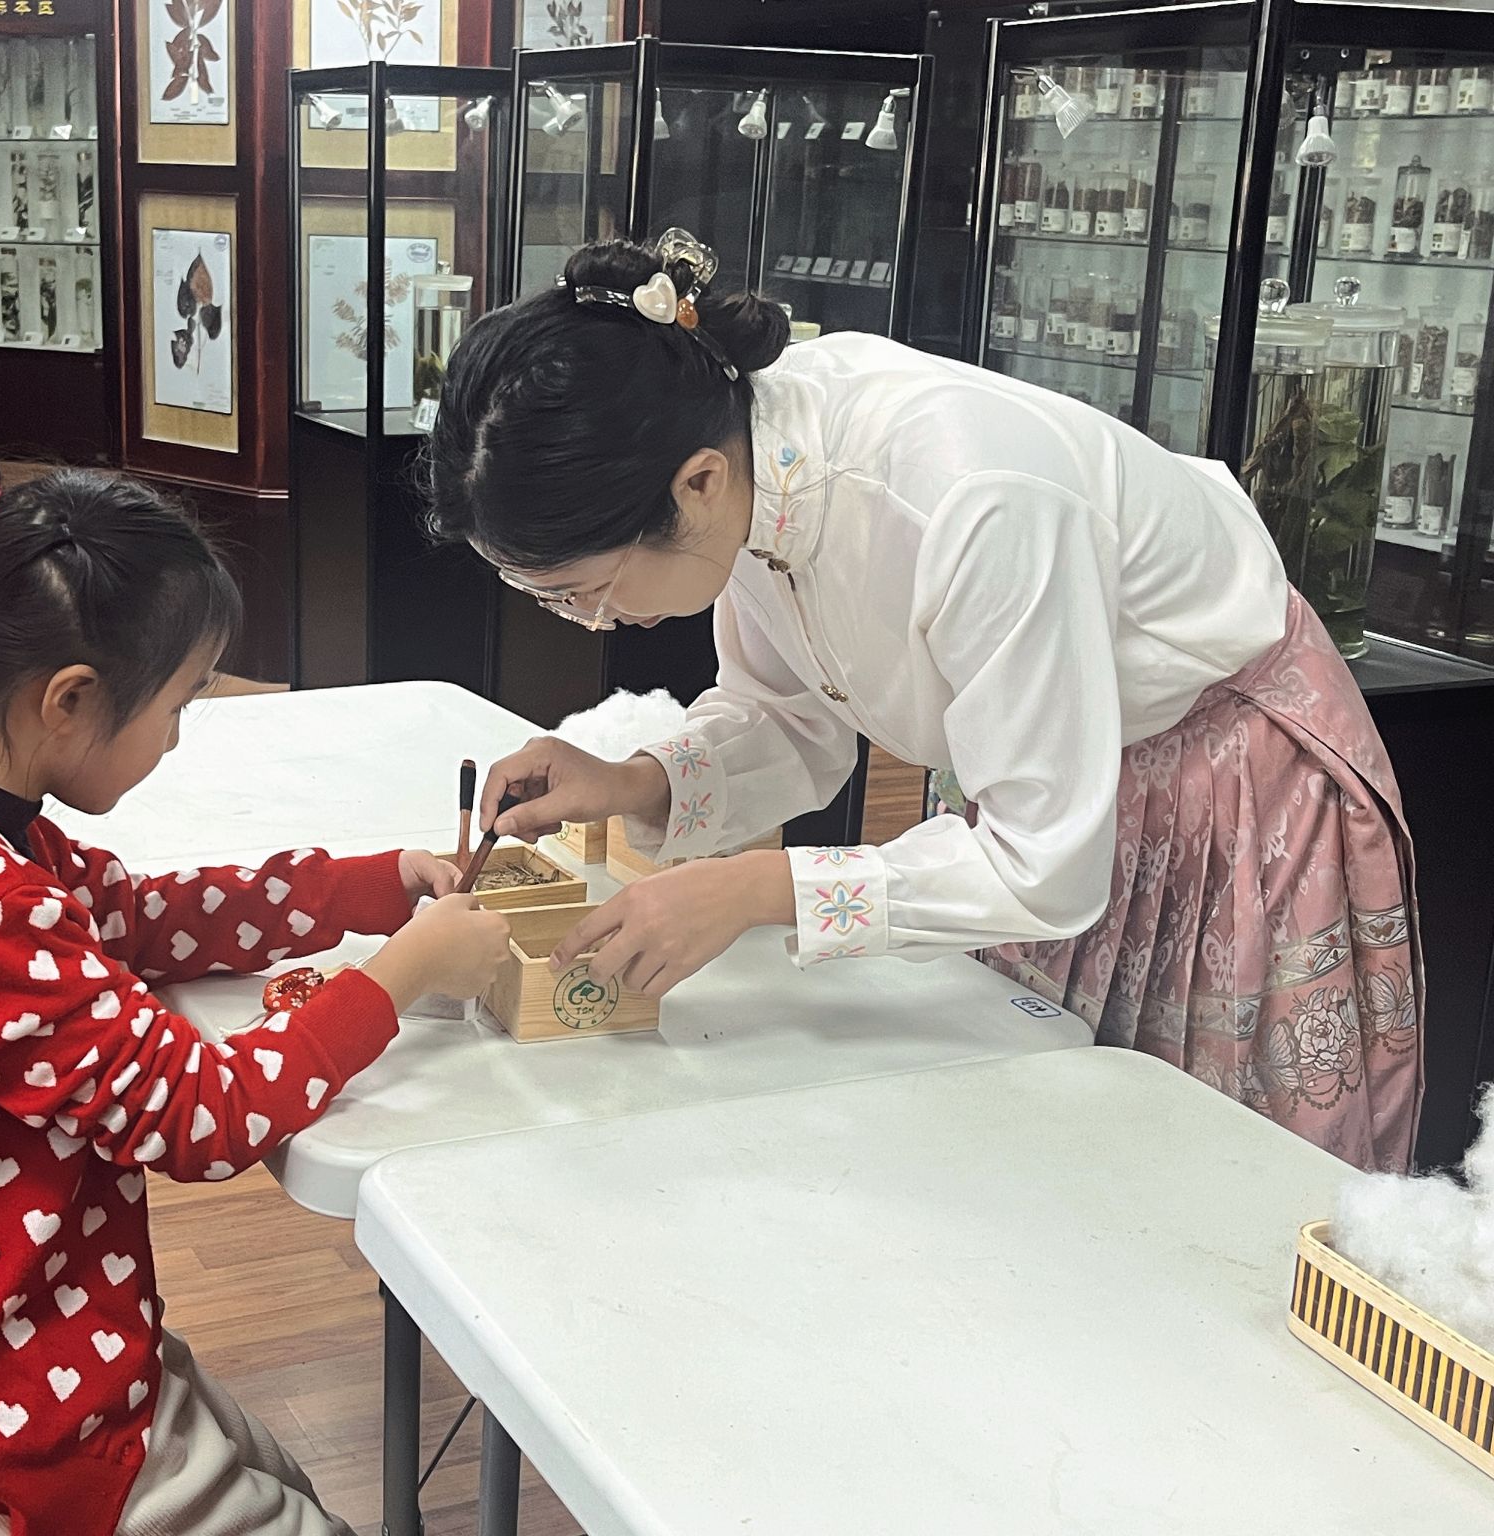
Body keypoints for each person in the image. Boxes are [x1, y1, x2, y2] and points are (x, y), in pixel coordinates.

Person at [425, 231, 1421, 1172]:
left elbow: (1041, 866)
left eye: (582, 590)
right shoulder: (745, 463)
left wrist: (752, 890)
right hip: (1038, 787)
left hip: (1217, 776)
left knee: (1197, 1165)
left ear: (695, 485)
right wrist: (634, 782)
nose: (588, 621)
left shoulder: (966, 496)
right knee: (1035, 1135)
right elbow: (794, 719)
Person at [0, 449, 512, 1536]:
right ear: (69, 701)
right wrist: (409, 969)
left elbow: (130, 916)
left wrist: (365, 887)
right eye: (179, 704)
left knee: (273, 1473)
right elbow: (205, 1113)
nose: (179, 736)